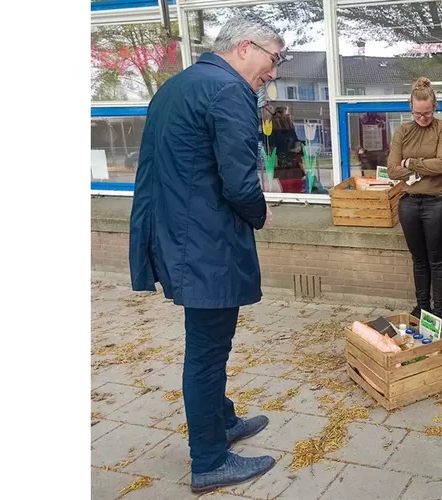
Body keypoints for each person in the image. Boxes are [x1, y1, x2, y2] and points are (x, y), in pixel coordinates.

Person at [128, 15, 285, 492]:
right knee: (206, 353)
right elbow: (239, 181)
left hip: (175, 236)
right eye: (273, 59)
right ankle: (210, 460)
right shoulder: (228, 91)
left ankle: (224, 420)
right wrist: (262, 213)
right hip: (205, 245)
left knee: (209, 345)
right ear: (244, 48)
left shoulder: (176, 86)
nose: (274, 72)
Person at [387, 77, 442, 330]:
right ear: (410, 108)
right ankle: (422, 306)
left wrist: (411, 163)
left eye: (427, 113)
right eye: (417, 114)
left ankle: (438, 312)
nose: (423, 118)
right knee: (418, 259)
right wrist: (420, 165)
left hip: (437, 202)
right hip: (409, 202)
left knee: (437, 259)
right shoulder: (402, 131)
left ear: (435, 106)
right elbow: (392, 170)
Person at [266, 106, 305, 193]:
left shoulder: (290, 128)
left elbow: (296, 140)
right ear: (282, 116)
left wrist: (299, 146)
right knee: (288, 188)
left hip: (293, 163)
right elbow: (273, 148)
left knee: (297, 187)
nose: (289, 116)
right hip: (283, 164)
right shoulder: (273, 131)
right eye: (287, 114)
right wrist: (291, 150)